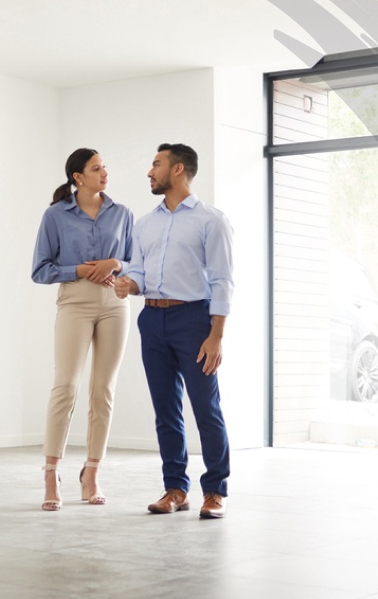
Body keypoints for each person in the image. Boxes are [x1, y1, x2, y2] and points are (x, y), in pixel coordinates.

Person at [114, 143, 234, 519]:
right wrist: (128, 285)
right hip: (152, 321)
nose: (150, 172)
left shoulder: (211, 220)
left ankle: (215, 491)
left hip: (194, 321)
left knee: (205, 408)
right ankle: (175, 489)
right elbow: (138, 269)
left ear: (178, 170)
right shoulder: (145, 223)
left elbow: (222, 281)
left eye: (156, 164)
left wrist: (216, 335)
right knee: (166, 411)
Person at [31, 149, 135, 511]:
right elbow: (40, 269)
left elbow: (136, 262)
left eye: (105, 166)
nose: (104, 172)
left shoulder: (122, 214)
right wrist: (79, 270)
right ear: (78, 177)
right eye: (96, 168)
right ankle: (50, 472)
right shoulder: (55, 216)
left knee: (103, 390)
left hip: (115, 305)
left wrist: (115, 263)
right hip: (74, 303)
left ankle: (91, 472)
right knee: (66, 386)